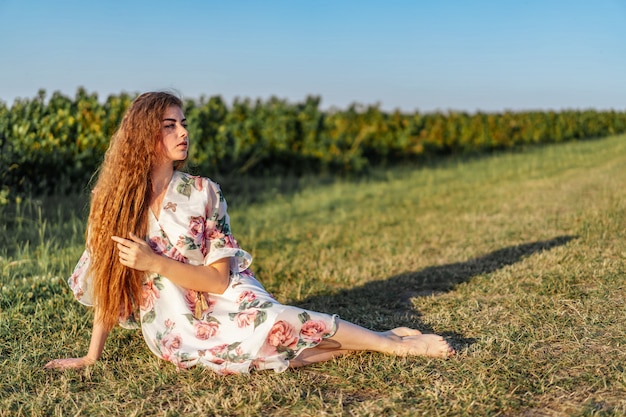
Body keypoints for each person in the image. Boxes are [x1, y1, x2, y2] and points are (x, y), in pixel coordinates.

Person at [44, 92, 454, 375]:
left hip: (226, 294)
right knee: (268, 354)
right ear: (142, 136)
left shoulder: (203, 192)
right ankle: (379, 335)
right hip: (177, 324)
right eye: (170, 126)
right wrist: (91, 356)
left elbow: (219, 278)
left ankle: (393, 345)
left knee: (277, 322)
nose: (183, 133)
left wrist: (155, 263)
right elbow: (108, 280)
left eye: (183, 124)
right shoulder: (111, 202)